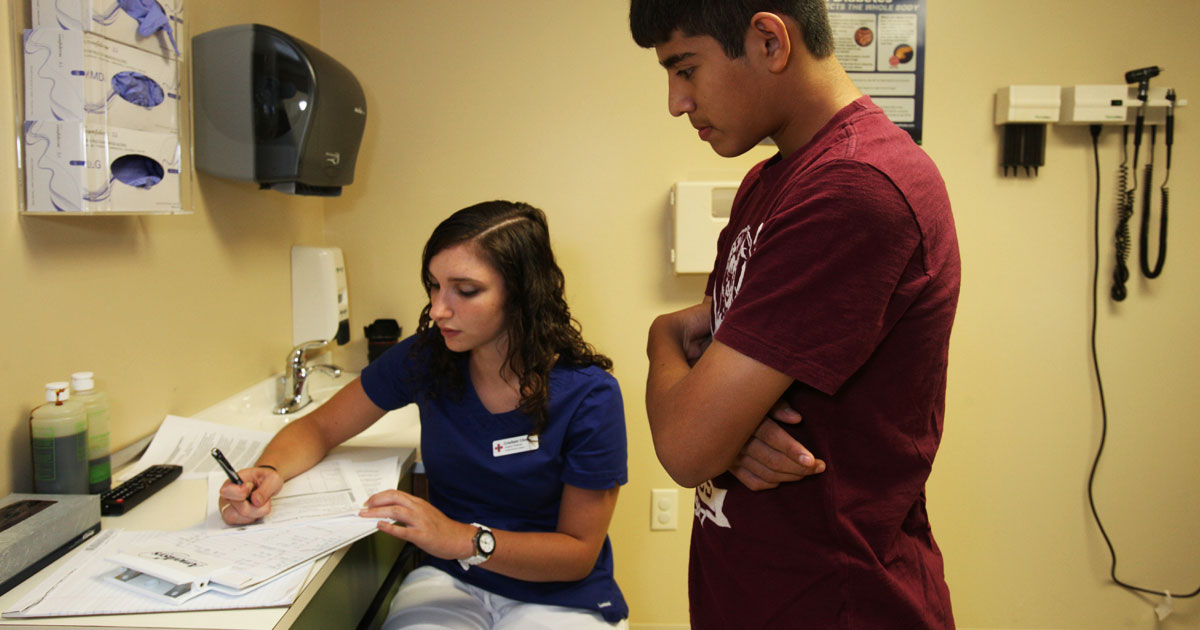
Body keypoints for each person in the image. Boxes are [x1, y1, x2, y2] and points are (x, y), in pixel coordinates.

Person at [631, 1, 960, 628]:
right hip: (754, 585)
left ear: (768, 41)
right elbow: (717, 345)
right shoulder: (771, 181)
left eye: (686, 68)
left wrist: (660, 343)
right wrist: (722, 424)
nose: (676, 101)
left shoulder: (858, 186)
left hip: (836, 600)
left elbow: (685, 445)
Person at [219, 200, 629, 629]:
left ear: (522, 293)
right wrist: (268, 471)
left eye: (465, 291)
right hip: (451, 579)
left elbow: (577, 554)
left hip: (558, 594)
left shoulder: (589, 395)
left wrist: (463, 538)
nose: (438, 309)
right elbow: (320, 427)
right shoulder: (427, 358)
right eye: (434, 286)